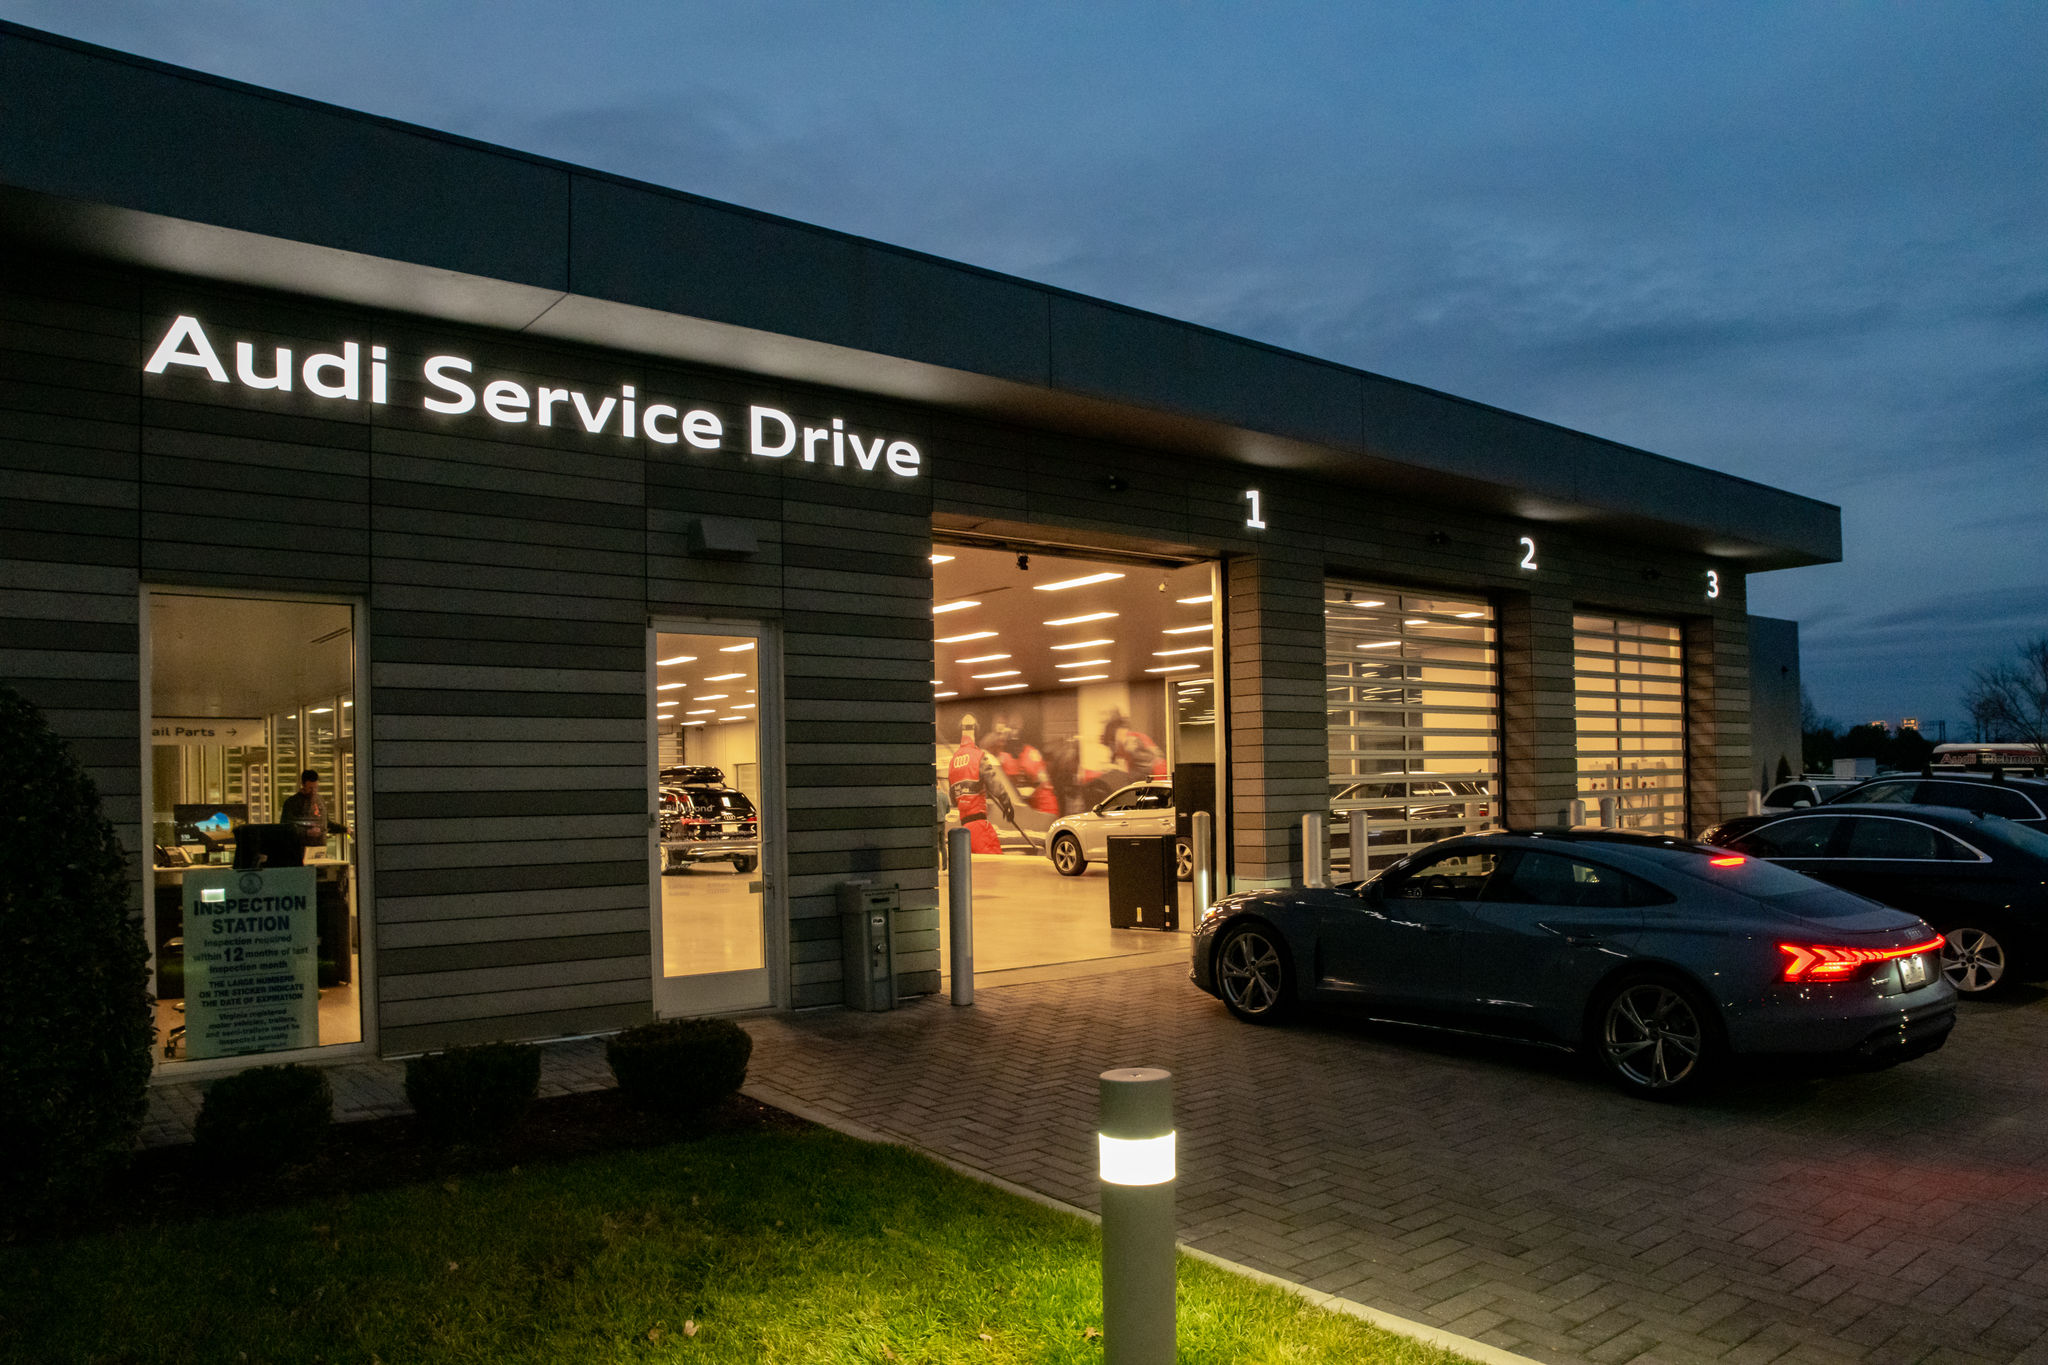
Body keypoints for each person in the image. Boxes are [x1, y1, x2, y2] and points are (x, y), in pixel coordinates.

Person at [946, 714, 1006, 854]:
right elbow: (995, 785)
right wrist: (1006, 802)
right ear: (976, 730)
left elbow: (953, 800)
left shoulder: (953, 761)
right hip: (980, 827)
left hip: (964, 832)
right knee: (996, 863)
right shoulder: (978, 755)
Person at [280, 768, 347, 851]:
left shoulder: (320, 801)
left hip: (319, 849)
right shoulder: (292, 803)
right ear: (303, 785)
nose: (313, 791)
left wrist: (345, 829)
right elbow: (286, 827)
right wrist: (307, 832)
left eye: (315, 788)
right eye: (310, 788)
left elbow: (326, 823)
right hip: (300, 850)